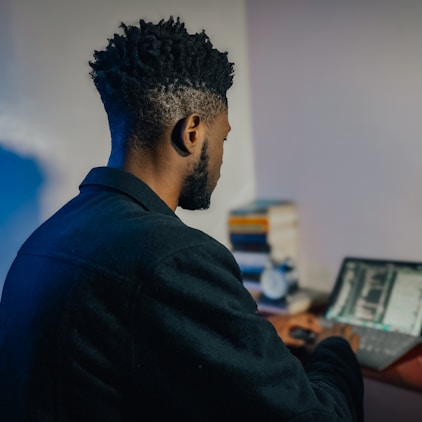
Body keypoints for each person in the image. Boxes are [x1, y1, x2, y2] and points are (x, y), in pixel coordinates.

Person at [0, 17, 363, 421]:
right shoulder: (174, 258)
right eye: (222, 138)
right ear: (192, 132)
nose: (222, 157)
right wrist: (335, 348)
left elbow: (122, 349)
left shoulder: (42, 243)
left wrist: (250, 340)